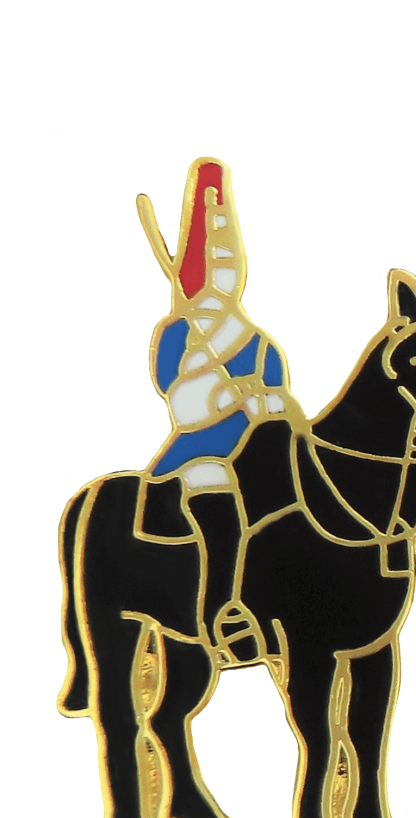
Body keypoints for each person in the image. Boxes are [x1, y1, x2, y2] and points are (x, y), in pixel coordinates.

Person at [139, 160, 298, 658]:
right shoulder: (177, 334)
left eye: (228, 260)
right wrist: (230, 398)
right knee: (215, 487)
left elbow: (284, 404)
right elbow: (179, 400)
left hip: (259, 452)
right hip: (199, 451)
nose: (222, 270)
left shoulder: (258, 342)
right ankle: (221, 611)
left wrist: (265, 400)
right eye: (213, 261)